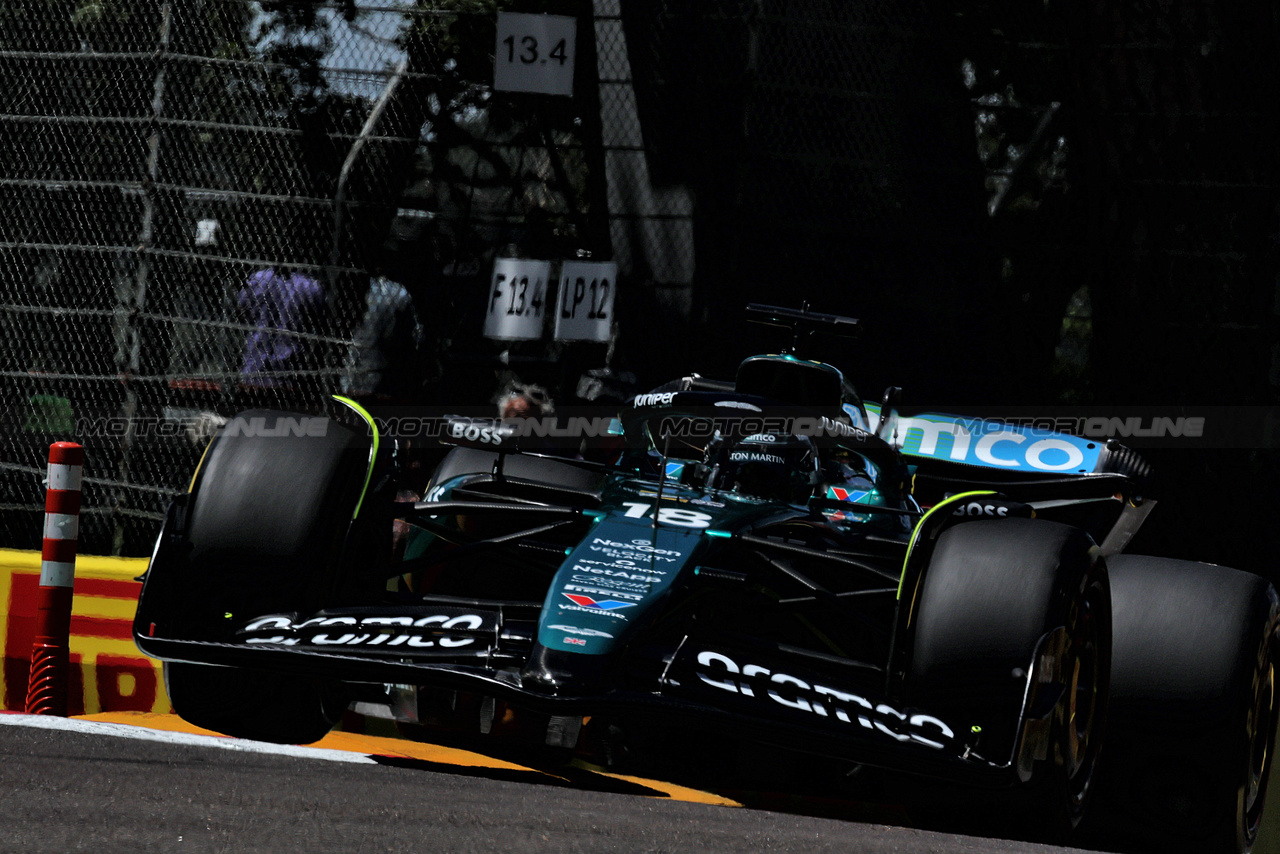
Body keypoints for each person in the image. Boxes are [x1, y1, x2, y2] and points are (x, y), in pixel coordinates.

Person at [237, 265, 326, 408]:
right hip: (289, 370)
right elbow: (317, 322)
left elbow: (242, 309)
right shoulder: (311, 287)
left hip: (255, 364)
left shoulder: (259, 279)